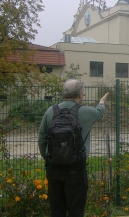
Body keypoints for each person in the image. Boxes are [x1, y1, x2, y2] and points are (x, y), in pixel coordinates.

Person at [38, 79, 109, 217]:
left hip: (54, 170)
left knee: (57, 211)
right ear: (81, 95)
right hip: (76, 170)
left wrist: (48, 158)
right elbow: (100, 113)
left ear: (64, 93)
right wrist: (101, 102)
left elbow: (41, 139)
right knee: (76, 211)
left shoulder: (50, 111)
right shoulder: (87, 112)